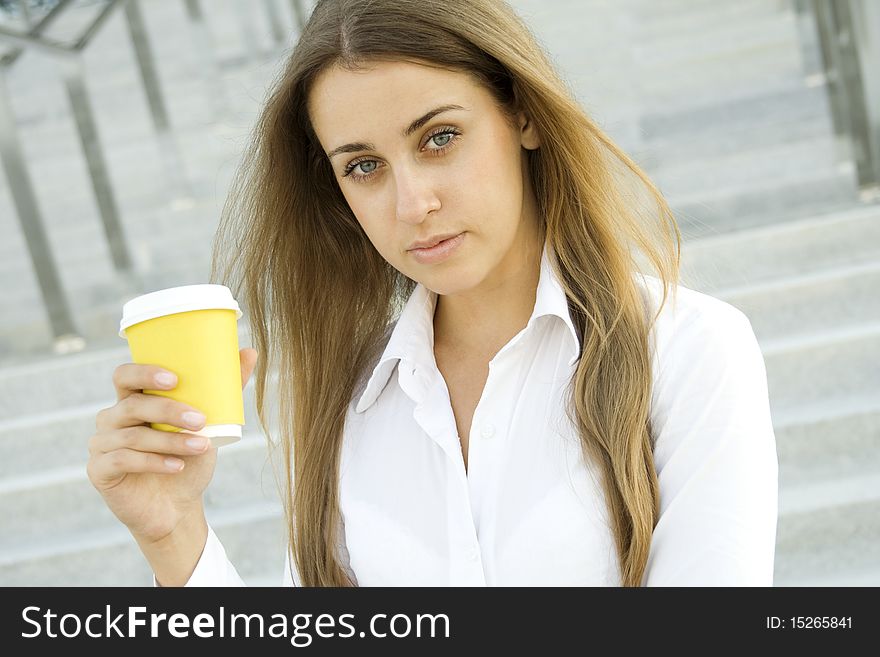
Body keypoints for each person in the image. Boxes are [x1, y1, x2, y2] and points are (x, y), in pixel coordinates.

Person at [87, 0, 778, 587]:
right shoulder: (348, 406)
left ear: (523, 114)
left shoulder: (688, 349)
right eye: (363, 166)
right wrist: (174, 531)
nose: (412, 201)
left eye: (440, 137)